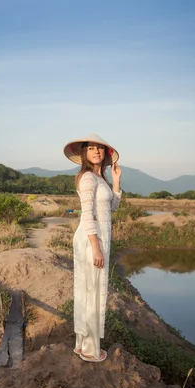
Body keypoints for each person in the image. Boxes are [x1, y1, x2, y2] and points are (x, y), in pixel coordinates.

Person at [63, 133, 122, 363]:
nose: (96, 151)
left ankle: (81, 344)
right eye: (91, 148)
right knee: (92, 291)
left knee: (89, 290)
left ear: (105, 154)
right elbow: (87, 215)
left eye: (100, 148)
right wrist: (96, 248)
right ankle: (90, 349)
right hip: (91, 241)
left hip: (98, 239)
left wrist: (116, 180)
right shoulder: (87, 178)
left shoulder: (100, 179)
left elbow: (113, 208)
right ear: (84, 153)